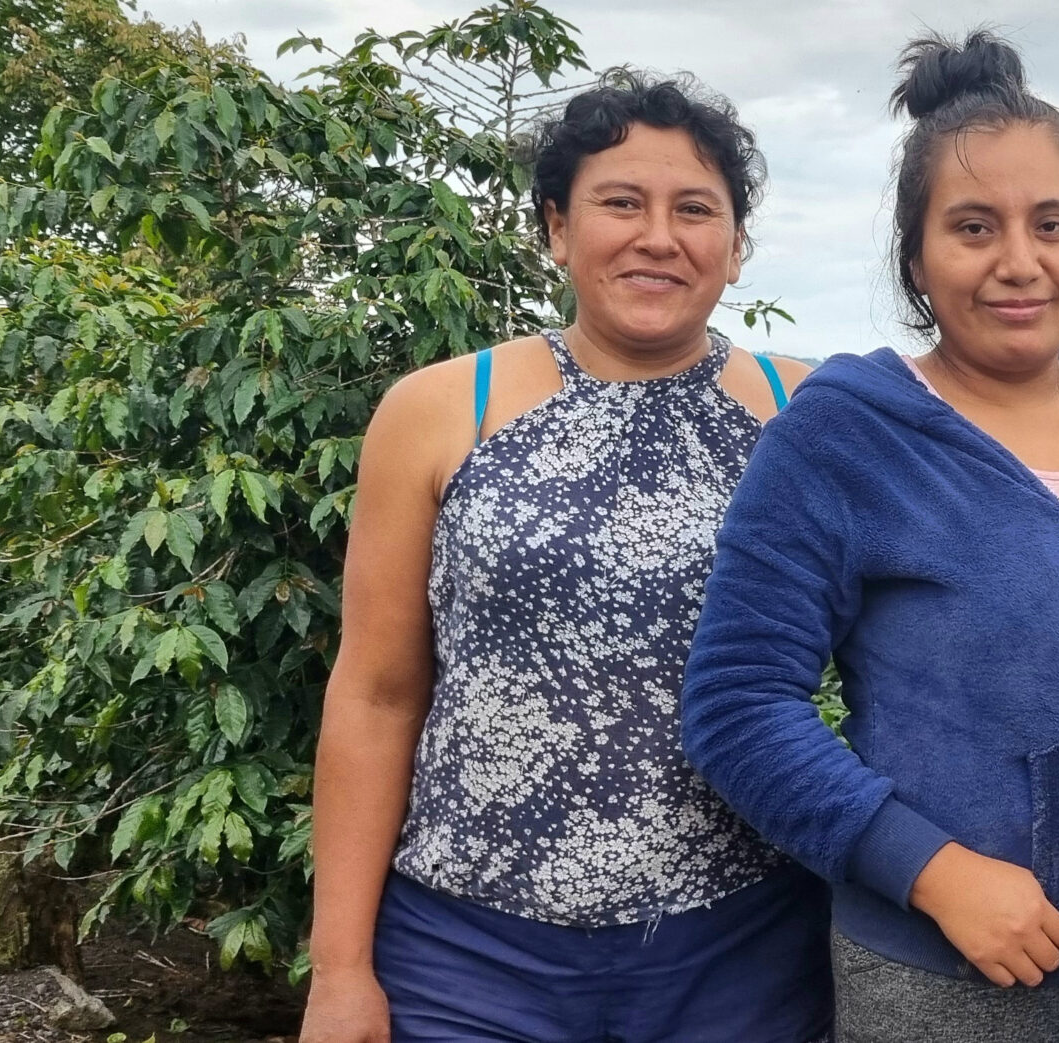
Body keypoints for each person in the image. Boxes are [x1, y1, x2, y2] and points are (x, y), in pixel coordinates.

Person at [679, 30, 1059, 1043]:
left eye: (1052, 223)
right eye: (972, 227)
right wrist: (932, 869)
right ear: (916, 257)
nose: (1019, 262)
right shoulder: (840, 437)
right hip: (949, 974)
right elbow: (737, 705)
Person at [298, 74, 830, 1043]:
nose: (657, 236)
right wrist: (337, 968)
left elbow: (993, 439)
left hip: (743, 946)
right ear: (556, 228)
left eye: (694, 209)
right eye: (620, 203)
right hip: (468, 953)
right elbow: (376, 691)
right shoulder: (440, 409)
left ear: (736, 246)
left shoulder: (810, 415)